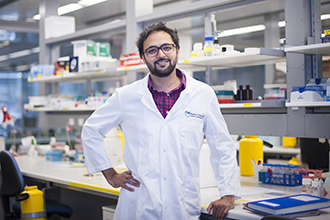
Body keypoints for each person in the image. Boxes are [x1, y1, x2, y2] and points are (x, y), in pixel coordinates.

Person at [82, 21, 241, 220]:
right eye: (152, 50)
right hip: (138, 206)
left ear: (177, 50)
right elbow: (90, 130)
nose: (161, 54)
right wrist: (110, 174)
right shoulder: (126, 96)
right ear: (143, 57)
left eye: (167, 47)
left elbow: (222, 146)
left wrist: (228, 194)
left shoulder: (202, 94)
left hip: (182, 205)